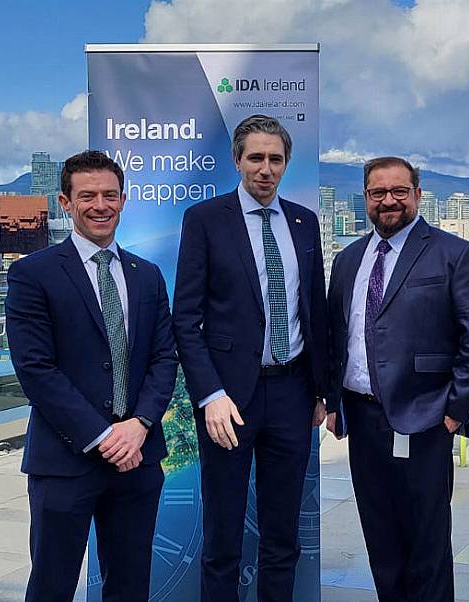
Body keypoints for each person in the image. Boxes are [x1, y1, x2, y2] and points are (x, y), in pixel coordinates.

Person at [6, 150, 178, 601]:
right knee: (52, 585)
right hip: (65, 460)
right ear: (66, 202)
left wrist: (138, 426)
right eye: (87, 196)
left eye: (109, 195)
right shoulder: (32, 274)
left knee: (129, 585)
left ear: (124, 200)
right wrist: (104, 437)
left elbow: (165, 358)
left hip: (137, 460)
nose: (99, 205)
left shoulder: (148, 276)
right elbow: (35, 370)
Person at [325, 156, 469, 601]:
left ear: (418, 195)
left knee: (426, 545)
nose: (389, 201)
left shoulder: (453, 253)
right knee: (381, 542)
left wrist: (455, 410)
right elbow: (336, 333)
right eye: (378, 192)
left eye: (399, 191)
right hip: (362, 421)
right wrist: (330, 400)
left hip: (425, 420)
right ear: (365, 198)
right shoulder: (347, 260)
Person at [172, 114, 328, 602]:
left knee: (282, 534)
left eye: (275, 159)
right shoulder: (205, 220)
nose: (266, 168)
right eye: (255, 157)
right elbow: (185, 319)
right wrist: (209, 395)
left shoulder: (305, 222)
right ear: (237, 160)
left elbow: (315, 310)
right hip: (228, 398)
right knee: (223, 534)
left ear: (286, 164)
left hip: (293, 392)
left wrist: (323, 390)